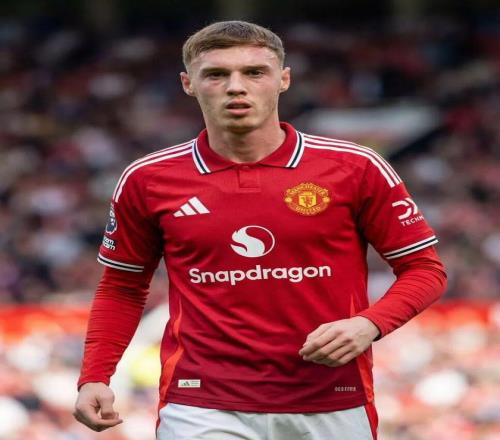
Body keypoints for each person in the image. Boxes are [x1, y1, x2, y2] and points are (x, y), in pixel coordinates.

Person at [74, 20, 447, 439]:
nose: (236, 87)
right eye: (216, 74)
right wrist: (95, 375)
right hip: (202, 402)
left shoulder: (355, 167)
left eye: (254, 72)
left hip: (331, 397)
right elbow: (122, 286)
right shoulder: (148, 179)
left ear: (283, 79)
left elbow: (425, 269)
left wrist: (369, 324)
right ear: (188, 84)